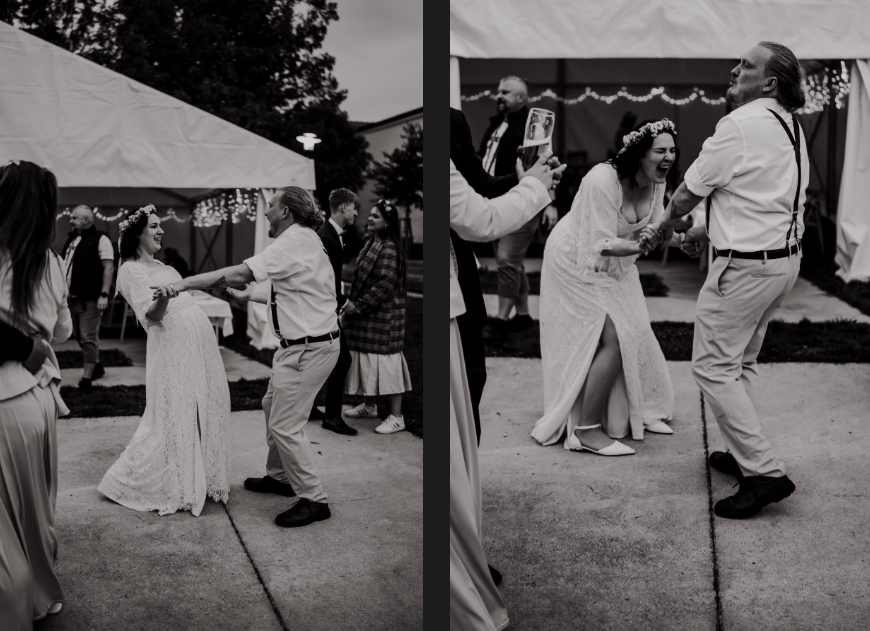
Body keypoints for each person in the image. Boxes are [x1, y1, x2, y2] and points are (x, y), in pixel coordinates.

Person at [644, 41, 808, 519]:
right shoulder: (789, 125)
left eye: (746, 65)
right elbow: (753, 195)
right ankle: (743, 452)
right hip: (782, 263)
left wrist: (664, 227)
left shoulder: (739, 125)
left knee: (713, 367)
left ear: (769, 81)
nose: (734, 70)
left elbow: (688, 191)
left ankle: (763, 472)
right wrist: (703, 232)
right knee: (742, 362)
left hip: (746, 269)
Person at [166, 187, 339, 528]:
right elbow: (286, 289)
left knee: (285, 425)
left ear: (286, 211)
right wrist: (242, 293)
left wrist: (185, 283)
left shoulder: (293, 240)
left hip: (309, 349)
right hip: (301, 346)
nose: (266, 211)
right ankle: (280, 477)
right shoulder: (301, 240)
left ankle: (314, 499)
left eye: (271, 205)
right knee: (272, 406)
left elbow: (243, 273)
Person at [450, 151, 565, 631]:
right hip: (452, 305)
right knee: (454, 445)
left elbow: (477, 207)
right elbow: (479, 215)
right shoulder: (450, 128)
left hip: (456, 304)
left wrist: (530, 183)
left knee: (460, 438)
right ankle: (462, 557)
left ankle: (465, 552)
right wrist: (534, 184)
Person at [530, 119, 678, 456]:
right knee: (615, 334)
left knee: (637, 328)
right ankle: (586, 431)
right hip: (574, 259)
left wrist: (681, 240)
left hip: (618, 260)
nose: (669, 157)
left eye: (672, 150)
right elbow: (598, 243)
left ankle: (640, 410)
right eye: (660, 151)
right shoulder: (602, 180)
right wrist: (640, 246)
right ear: (639, 154)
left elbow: (654, 229)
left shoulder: (657, 183)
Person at [97, 204, 231, 517]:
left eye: (160, 225)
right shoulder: (130, 270)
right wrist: (165, 299)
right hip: (172, 346)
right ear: (138, 234)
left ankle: (199, 474)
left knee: (202, 403)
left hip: (196, 344)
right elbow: (151, 316)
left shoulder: (164, 265)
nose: (161, 231)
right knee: (175, 409)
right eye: (154, 226)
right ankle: (171, 481)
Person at [0, 160, 70, 625]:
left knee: (3, 526)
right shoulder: (51, 260)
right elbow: (63, 331)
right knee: (36, 508)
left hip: (5, 400)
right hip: (41, 397)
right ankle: (42, 592)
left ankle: (14, 602)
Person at [478, 75, 559, 328]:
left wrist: (551, 204)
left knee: (505, 259)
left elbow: (546, 162)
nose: (498, 95)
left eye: (505, 92)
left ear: (521, 98)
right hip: (494, 201)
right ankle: (523, 316)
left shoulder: (533, 125)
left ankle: (502, 319)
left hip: (523, 200)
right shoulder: (496, 124)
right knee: (511, 261)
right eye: (498, 91)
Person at [342, 199, 412, 434]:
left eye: (376, 216)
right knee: (368, 361)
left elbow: (384, 285)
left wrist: (358, 306)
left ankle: (397, 417)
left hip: (384, 319)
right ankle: (369, 406)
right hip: (369, 318)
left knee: (388, 365)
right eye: (370, 214)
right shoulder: (372, 242)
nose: (370, 218)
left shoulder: (389, 248)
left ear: (387, 222)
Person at [310, 188, 359, 436]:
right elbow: (324, 281)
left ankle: (309, 408)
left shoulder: (330, 234)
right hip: (323, 309)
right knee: (342, 360)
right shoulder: (327, 237)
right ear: (343, 207)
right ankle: (332, 416)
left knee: (317, 359)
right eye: (354, 208)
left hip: (323, 308)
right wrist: (344, 302)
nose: (356, 213)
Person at [59, 204, 114, 389]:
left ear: (86, 220)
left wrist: (104, 294)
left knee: (88, 336)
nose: (71, 220)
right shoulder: (73, 238)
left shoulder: (101, 238)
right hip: (72, 296)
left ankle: (87, 379)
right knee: (77, 335)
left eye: (74, 218)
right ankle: (96, 364)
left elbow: (108, 268)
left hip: (91, 297)